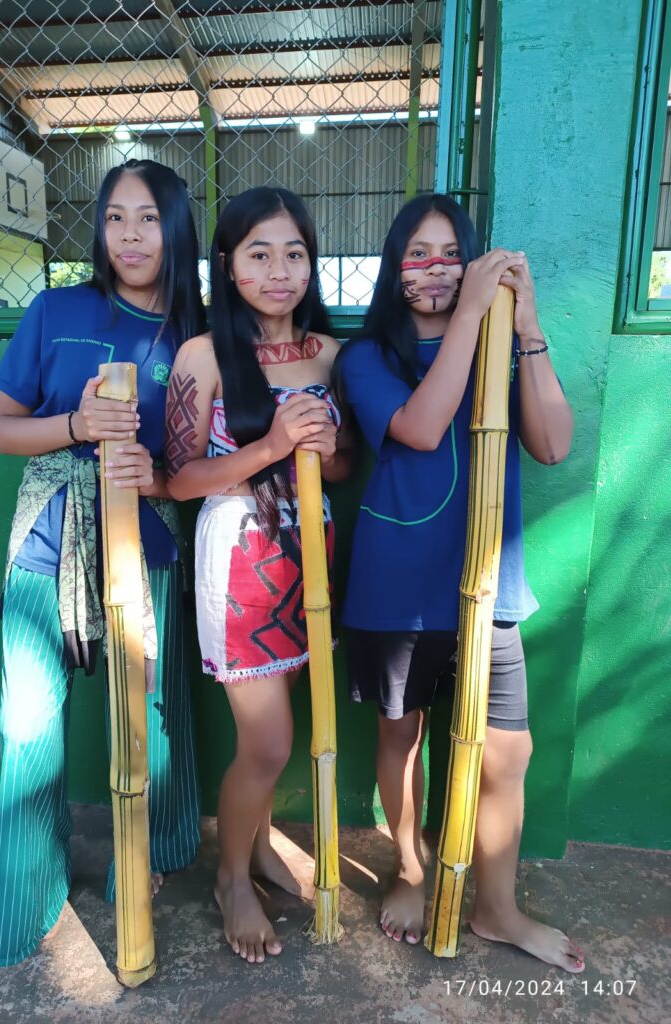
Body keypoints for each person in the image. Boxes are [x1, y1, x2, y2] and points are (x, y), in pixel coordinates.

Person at [337, 194, 584, 972]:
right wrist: (476, 315)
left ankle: (496, 908)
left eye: (451, 253)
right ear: (394, 267)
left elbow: (552, 445)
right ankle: (410, 871)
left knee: (507, 752)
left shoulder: (505, 343)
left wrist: (527, 324)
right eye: (418, 253)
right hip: (397, 586)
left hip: (490, 585)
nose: (435, 268)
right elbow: (419, 426)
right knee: (401, 736)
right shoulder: (366, 355)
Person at [0, 159, 205, 967]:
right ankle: (28, 892)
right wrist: (76, 423)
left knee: (146, 720)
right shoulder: (55, 310)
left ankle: (143, 859)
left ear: (174, 228)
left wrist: (154, 472)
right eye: (115, 218)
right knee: (28, 721)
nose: (130, 235)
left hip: (143, 543)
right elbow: (5, 429)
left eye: (148, 218)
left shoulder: (191, 337)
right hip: (45, 536)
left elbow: (189, 464)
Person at [165, 186, 353, 964]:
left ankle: (266, 846)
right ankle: (233, 877)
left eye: (295, 253)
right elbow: (179, 480)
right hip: (239, 558)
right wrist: (275, 446)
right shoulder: (203, 355)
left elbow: (341, 469)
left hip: (310, 556)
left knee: (286, 725)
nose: (280, 271)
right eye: (259, 253)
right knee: (270, 743)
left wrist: (325, 449)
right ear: (228, 266)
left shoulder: (330, 354)